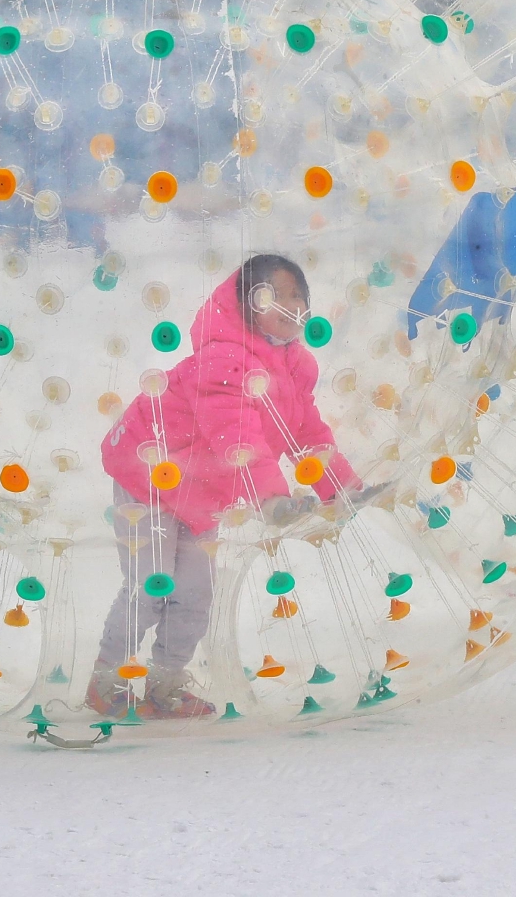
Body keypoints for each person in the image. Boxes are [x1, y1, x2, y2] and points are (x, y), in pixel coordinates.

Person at [89, 253, 359, 719]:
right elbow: (235, 434)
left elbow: (306, 431)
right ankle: (106, 680)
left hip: (200, 494)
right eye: (275, 295)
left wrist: (340, 485)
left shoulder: (292, 369)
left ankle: (165, 685)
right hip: (149, 478)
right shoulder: (223, 359)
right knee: (152, 586)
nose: (291, 304)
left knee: (195, 593)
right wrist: (272, 497)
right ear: (245, 305)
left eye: (298, 295)